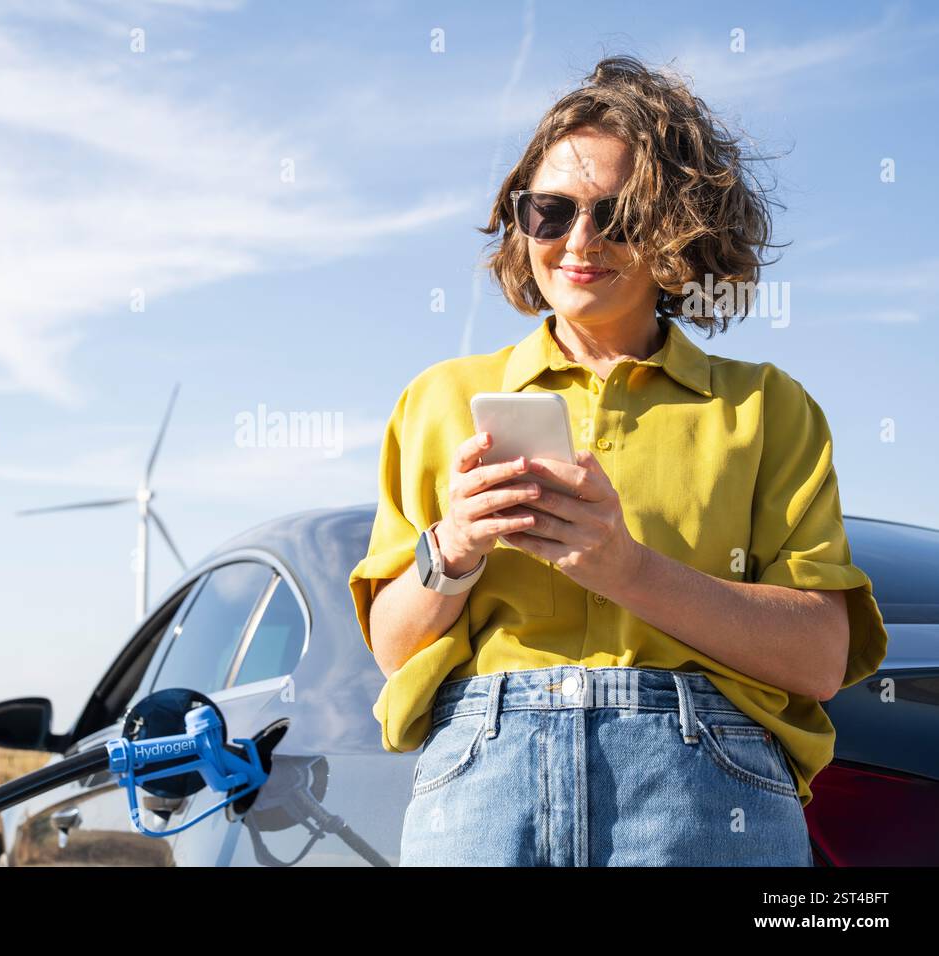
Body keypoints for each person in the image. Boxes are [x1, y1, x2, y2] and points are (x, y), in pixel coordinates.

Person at [347, 55, 889, 866]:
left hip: (705, 788)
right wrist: (452, 549)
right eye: (552, 211)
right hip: (481, 787)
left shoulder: (768, 409)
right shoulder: (436, 399)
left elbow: (818, 659)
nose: (581, 242)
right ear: (520, 218)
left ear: (681, 228)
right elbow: (394, 650)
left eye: (620, 216)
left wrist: (627, 569)